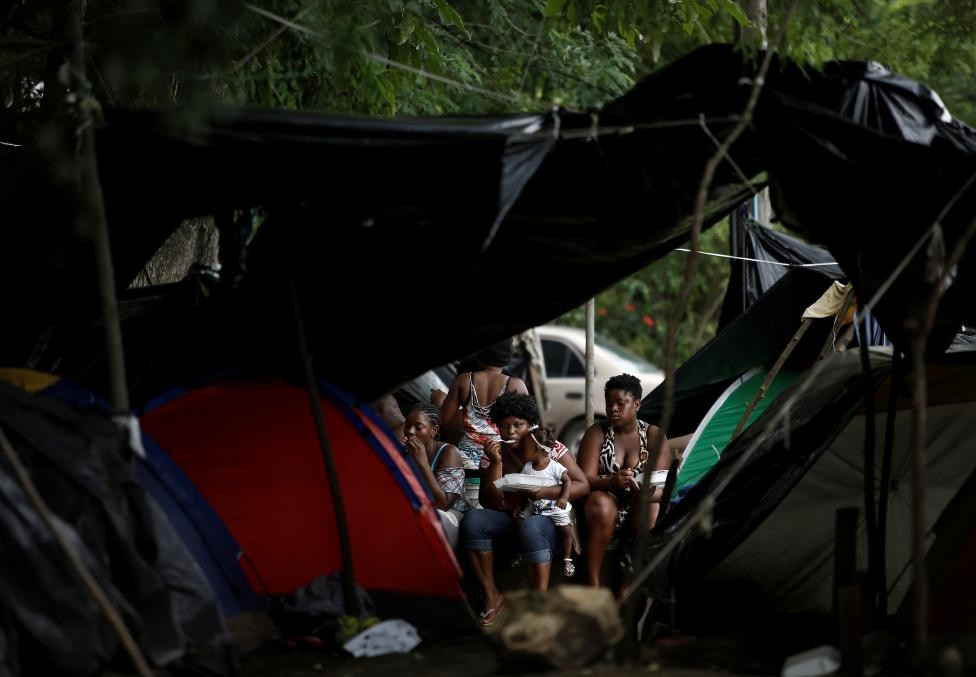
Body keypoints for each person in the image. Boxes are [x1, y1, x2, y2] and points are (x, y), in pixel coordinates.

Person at [459, 392, 589, 626]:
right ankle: (491, 596)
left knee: (531, 526)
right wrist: (496, 464)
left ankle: (539, 604)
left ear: (530, 425)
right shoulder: (493, 454)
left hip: (548, 520)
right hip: (515, 519)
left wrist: (547, 492)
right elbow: (488, 501)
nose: (510, 432)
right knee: (474, 521)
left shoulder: (550, 448)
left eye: (518, 425)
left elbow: (582, 485)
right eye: (504, 426)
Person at [577, 373, 670, 589]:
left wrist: (647, 493)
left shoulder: (654, 436)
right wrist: (611, 483)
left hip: (638, 507)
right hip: (602, 508)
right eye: (609, 404)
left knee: (650, 509)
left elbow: (662, 488)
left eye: (620, 403)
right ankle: (592, 584)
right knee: (601, 502)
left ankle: (625, 589)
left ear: (636, 404)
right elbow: (583, 481)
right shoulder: (598, 432)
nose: (613, 409)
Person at [439, 339, 528, 506]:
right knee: (490, 505)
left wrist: (438, 401)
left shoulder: (464, 380)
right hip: (498, 459)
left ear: (479, 355)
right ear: (508, 358)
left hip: (465, 460)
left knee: (465, 506)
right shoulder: (515, 385)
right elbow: (527, 428)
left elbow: (443, 420)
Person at [402, 402, 470, 548]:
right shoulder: (404, 450)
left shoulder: (448, 453)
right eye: (407, 425)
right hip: (417, 508)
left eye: (418, 427)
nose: (410, 432)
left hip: (450, 515)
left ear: (433, 430)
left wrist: (423, 464)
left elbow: (443, 504)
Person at [515, 429, 575, 578]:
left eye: (525, 446)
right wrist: (519, 503)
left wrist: (563, 497)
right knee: (519, 520)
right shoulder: (527, 467)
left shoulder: (554, 466)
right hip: (534, 505)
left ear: (537, 449)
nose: (522, 448)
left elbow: (567, 481)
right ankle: (521, 552)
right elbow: (522, 485)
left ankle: (567, 558)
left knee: (566, 528)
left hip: (554, 506)